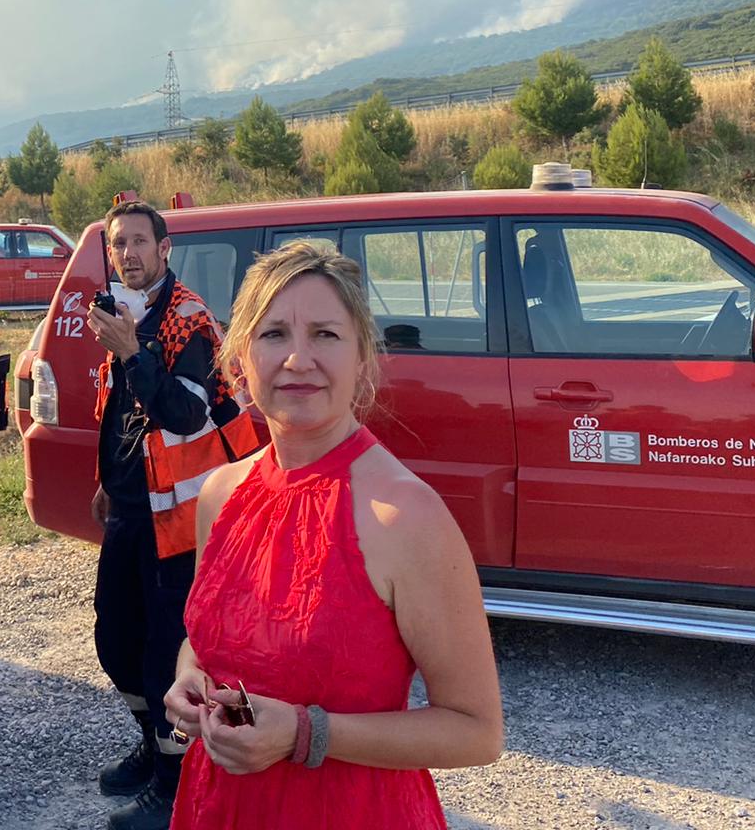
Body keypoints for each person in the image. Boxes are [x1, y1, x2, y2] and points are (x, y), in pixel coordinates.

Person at [162, 240, 504, 829]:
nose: (297, 359)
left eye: (325, 334)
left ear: (363, 359)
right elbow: (208, 637)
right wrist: (188, 680)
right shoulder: (218, 494)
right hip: (221, 807)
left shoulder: (405, 516)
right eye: (273, 335)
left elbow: (476, 733)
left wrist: (307, 734)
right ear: (239, 361)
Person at [85, 200, 254, 830]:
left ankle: (175, 780)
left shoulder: (190, 320)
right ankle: (152, 740)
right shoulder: (119, 311)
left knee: (167, 653)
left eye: (138, 242)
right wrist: (106, 482)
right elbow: (114, 409)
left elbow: (186, 413)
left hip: (181, 522)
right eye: (117, 244)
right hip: (131, 506)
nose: (127, 253)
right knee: (115, 638)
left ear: (165, 249)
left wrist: (133, 352)